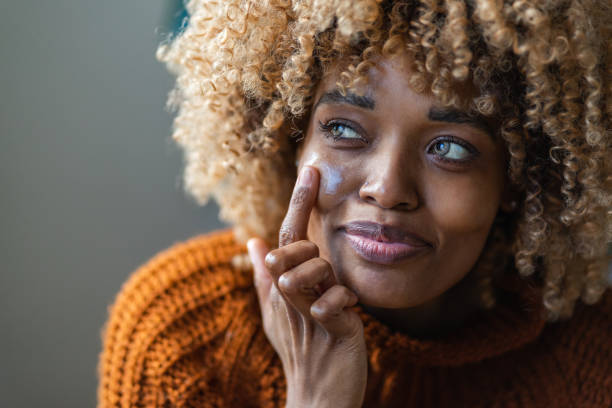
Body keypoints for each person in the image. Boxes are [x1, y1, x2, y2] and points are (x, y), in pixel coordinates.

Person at [97, 0, 611, 406]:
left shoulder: (591, 356)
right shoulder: (183, 341)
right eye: (343, 129)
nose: (387, 189)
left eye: (450, 148)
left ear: (519, 179)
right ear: (289, 141)